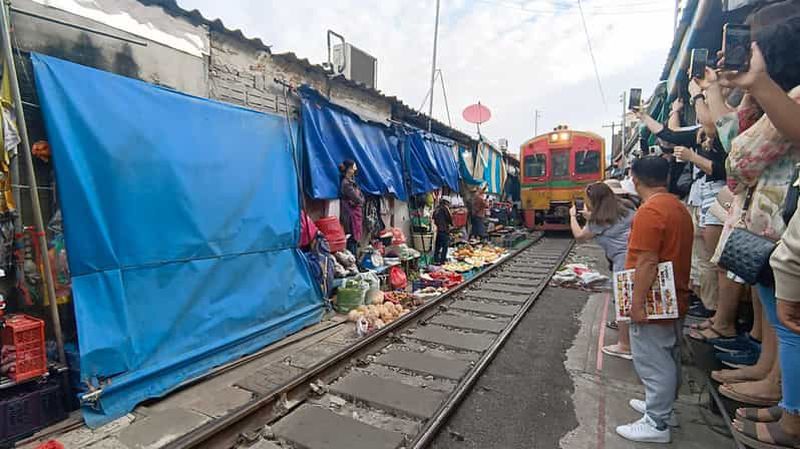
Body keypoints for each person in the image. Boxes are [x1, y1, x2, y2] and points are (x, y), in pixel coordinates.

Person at [615, 156, 693, 444]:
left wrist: (635, 305)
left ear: (635, 179)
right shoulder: (677, 207)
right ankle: (662, 409)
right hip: (674, 295)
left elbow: (647, 261)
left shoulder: (650, 212)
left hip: (654, 300)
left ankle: (657, 423)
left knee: (653, 360)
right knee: (667, 355)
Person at [569, 181, 635, 360]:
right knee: (630, 297)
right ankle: (633, 338)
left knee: (623, 300)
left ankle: (625, 345)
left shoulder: (599, 220)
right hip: (637, 256)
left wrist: (573, 217)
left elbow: (580, 237)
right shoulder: (625, 208)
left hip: (623, 261)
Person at [339, 160, 364, 256]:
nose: (355, 169)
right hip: (350, 213)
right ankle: (353, 260)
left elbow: (361, 197)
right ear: (349, 169)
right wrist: (360, 200)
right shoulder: (346, 183)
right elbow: (357, 198)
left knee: (355, 238)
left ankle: (355, 259)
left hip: (355, 213)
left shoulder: (352, 182)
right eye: (354, 167)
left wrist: (360, 200)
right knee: (352, 237)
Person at [432, 198, 453, 265]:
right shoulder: (445, 208)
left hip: (438, 230)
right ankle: (442, 261)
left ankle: (436, 259)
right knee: (445, 246)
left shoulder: (436, 209)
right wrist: (451, 225)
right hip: (444, 230)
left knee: (438, 246)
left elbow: (433, 218)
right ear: (446, 202)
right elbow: (450, 218)